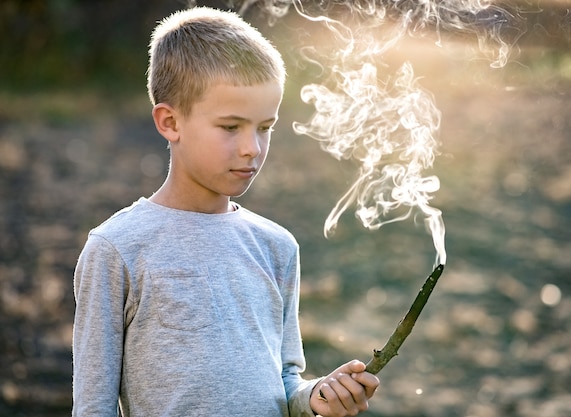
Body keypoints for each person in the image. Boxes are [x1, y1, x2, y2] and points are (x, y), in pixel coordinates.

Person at [72, 6, 379, 417]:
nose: (252, 147)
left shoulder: (276, 247)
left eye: (264, 127)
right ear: (170, 122)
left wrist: (317, 396)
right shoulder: (118, 250)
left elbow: (285, 382)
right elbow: (93, 407)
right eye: (231, 127)